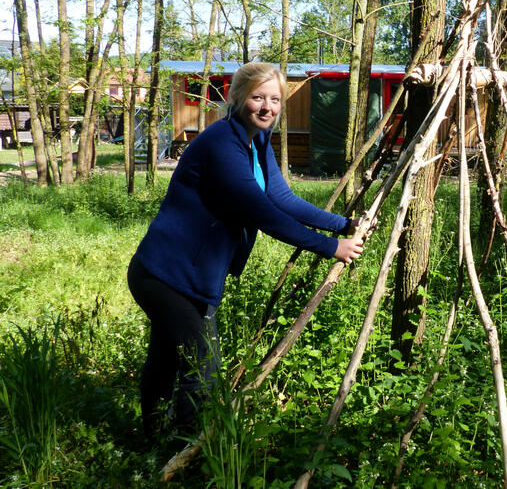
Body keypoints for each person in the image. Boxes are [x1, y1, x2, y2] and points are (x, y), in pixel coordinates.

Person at [127, 61, 364, 438]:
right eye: (257, 98)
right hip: (165, 275)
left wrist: (340, 224)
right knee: (201, 368)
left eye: (275, 99)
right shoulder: (222, 143)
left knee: (167, 356)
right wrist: (331, 247)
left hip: (188, 275)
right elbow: (262, 212)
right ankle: (187, 448)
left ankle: (150, 438)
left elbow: (279, 196)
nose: (267, 107)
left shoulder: (257, 139)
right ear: (238, 98)